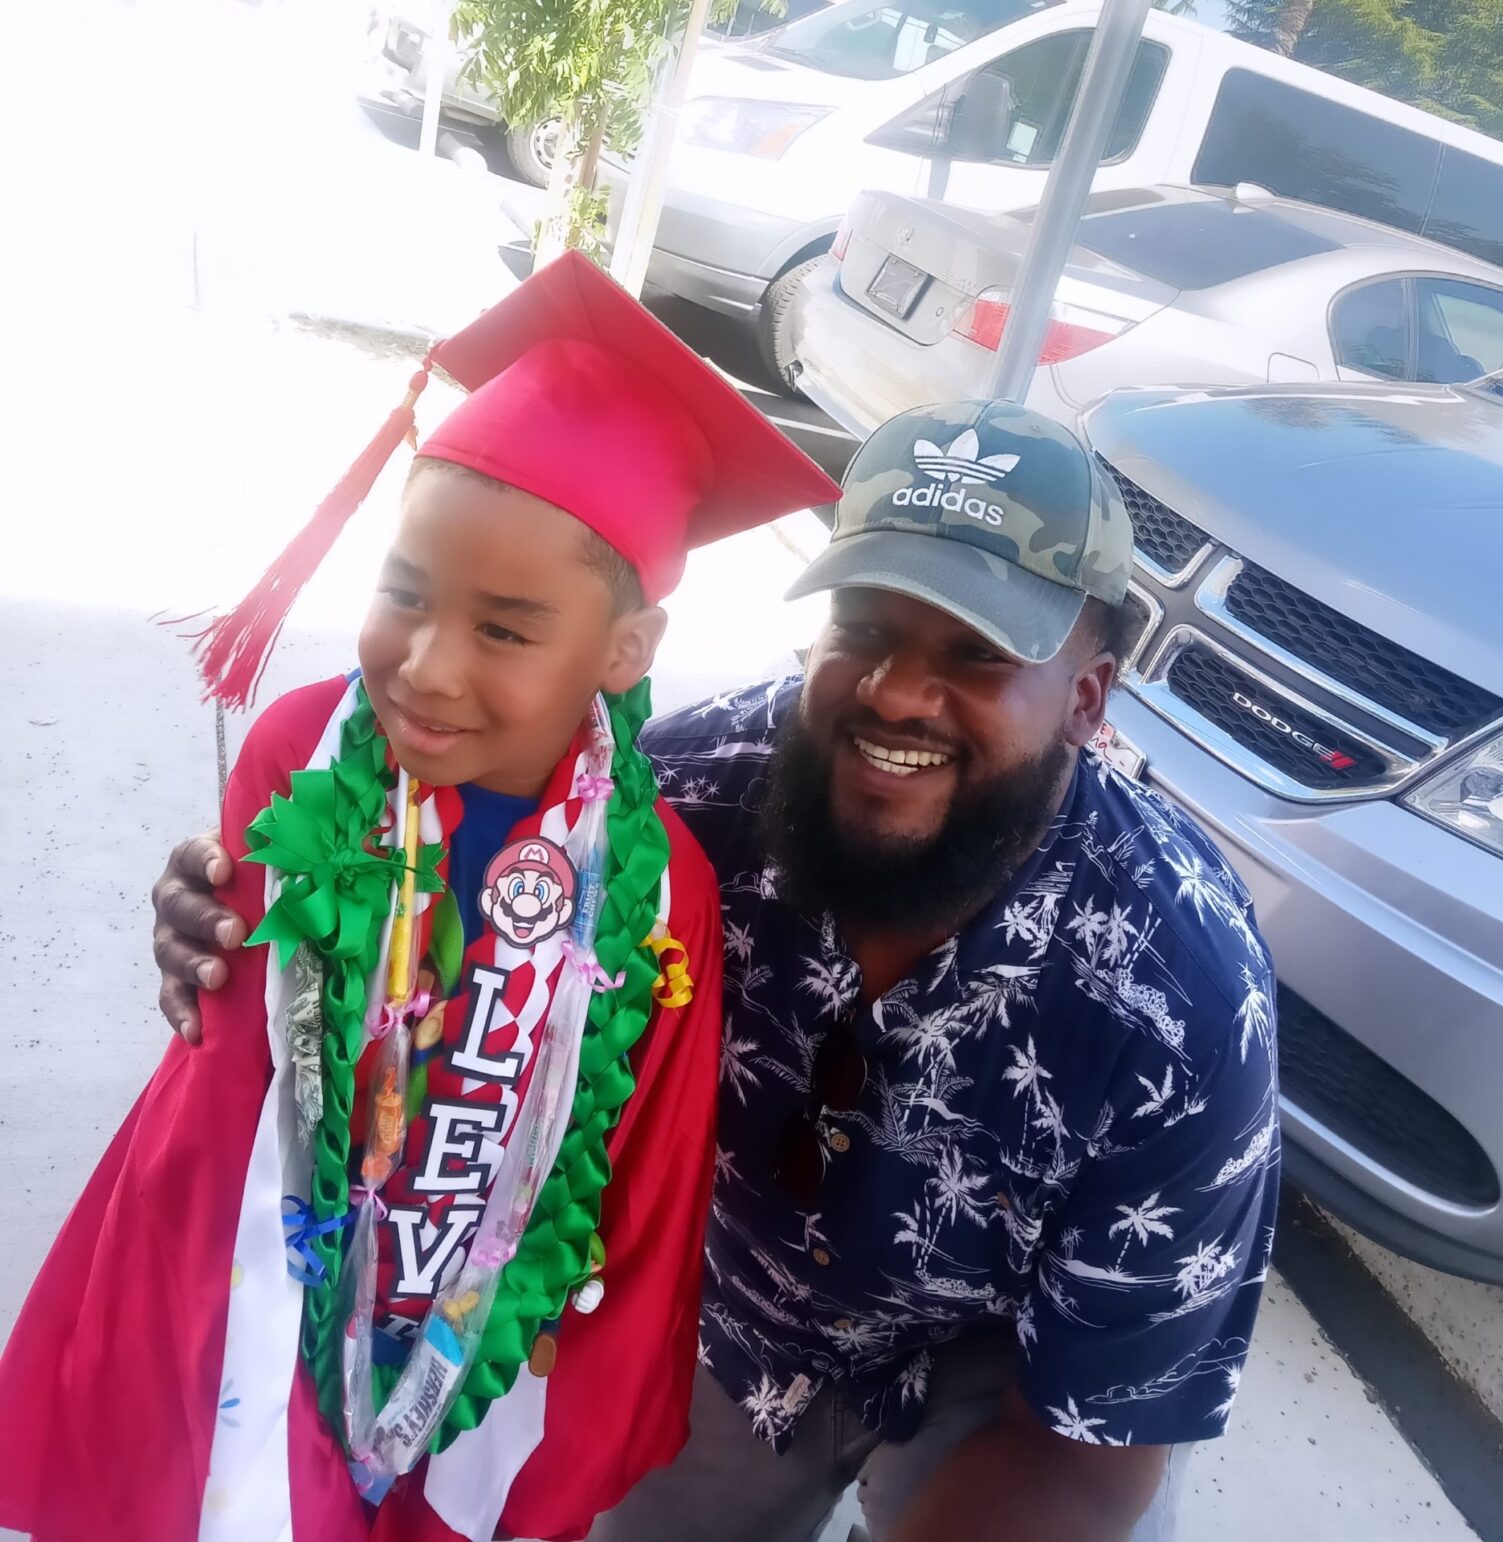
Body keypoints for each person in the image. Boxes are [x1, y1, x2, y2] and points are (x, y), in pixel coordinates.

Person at [149, 400, 1281, 1542]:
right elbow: (408, 903)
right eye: (865, 627)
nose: (893, 690)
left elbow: (1088, 1454)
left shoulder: (1180, 1005)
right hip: (733, 1317)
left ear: (1087, 699)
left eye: (976, 654)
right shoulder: (669, 823)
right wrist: (253, 915)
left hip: (1002, 1360)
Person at [0, 251, 841, 1542]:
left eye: (507, 628)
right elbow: (225, 1086)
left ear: (623, 651)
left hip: (472, 1341)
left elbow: (648, 1160)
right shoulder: (300, 752)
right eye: (403, 591)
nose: (427, 664)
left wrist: (589, 1390)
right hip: (256, 1298)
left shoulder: (654, 877)